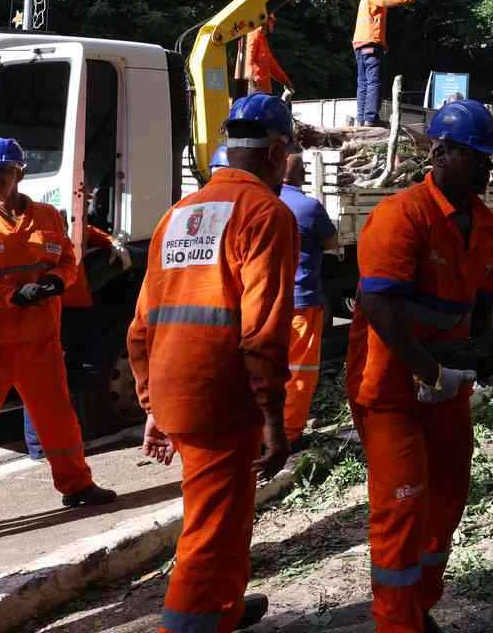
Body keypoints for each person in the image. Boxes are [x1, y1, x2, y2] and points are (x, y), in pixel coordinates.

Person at [128, 95, 300, 632]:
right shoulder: (267, 214)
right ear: (276, 151)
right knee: (212, 523)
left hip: (181, 391)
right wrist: (275, 418)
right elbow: (262, 330)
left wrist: (153, 402)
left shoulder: (179, 214)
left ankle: (222, 609)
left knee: (226, 511)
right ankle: (187, 624)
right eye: (290, 152)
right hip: (223, 397)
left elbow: (142, 325)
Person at [348, 99, 493, 633]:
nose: (487, 169)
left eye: (489, 159)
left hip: (448, 384)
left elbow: (485, 306)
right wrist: (428, 372)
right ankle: (396, 623)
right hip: (392, 385)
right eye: (476, 157)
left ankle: (417, 606)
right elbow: (381, 308)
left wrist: (491, 359)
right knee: (401, 507)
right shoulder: (401, 216)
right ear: (440, 153)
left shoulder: (488, 227)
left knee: (449, 495)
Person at [0, 138, 117, 540]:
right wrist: (11, 296)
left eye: (0, 170)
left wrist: (58, 280)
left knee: (57, 418)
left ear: (18, 174)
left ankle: (76, 486)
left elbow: (67, 261)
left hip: (39, 341)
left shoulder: (48, 217)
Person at [21, 216, 131, 457]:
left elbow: (86, 230)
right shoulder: (40, 230)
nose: (86, 195)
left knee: (61, 375)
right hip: (54, 309)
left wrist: (109, 240)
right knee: (44, 378)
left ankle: (54, 442)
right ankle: (41, 447)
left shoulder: (60, 225)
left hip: (71, 307)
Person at [279, 153, 340, 449]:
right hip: (302, 301)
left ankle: (264, 432)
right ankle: (290, 434)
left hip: (266, 303)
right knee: (300, 371)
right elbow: (332, 242)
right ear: (300, 175)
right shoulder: (308, 207)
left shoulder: (263, 200)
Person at [353, 0, 423, 127]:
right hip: (371, 43)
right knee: (374, 82)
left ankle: (361, 119)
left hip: (360, 44)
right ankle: (370, 118)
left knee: (363, 83)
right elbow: (386, 0)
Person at [244, 16, 292, 96]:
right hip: (255, 90)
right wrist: (252, 78)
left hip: (265, 91)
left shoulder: (263, 40)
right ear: (265, 21)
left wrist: (287, 82)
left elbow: (273, 66)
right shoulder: (253, 36)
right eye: (272, 21)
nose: (274, 23)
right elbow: (248, 60)